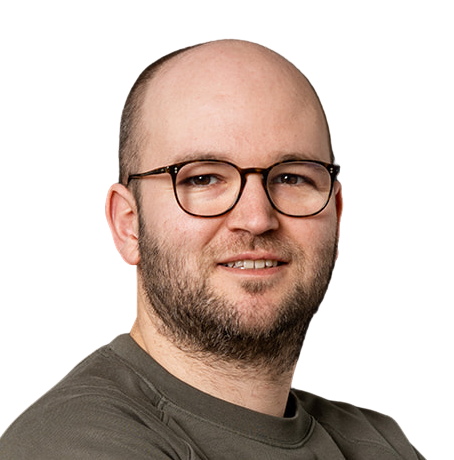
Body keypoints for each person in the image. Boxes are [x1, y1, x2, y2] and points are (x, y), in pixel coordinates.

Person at [0, 39, 425, 459]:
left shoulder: (379, 440)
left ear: (337, 216)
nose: (257, 218)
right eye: (203, 178)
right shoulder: (70, 442)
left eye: (292, 177)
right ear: (128, 225)